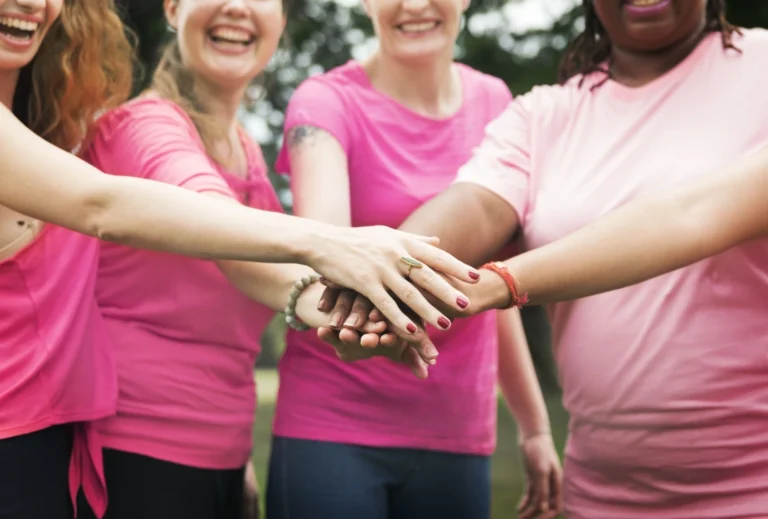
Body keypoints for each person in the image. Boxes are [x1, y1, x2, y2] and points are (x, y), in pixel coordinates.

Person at [0, 0, 478, 517]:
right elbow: (205, 228)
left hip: (216, 452)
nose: (238, 6)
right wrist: (333, 245)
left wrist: (355, 315)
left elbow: (268, 278)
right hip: (134, 451)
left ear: (282, 21)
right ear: (172, 8)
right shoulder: (143, 127)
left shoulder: (246, 147)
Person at [322, 1, 768, 517]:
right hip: (599, 493)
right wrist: (377, 286)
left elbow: (693, 215)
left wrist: (499, 283)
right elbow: (475, 205)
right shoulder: (545, 113)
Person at [266, 0, 562, 517]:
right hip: (332, 423)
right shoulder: (325, 102)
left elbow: (487, 283)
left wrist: (534, 426)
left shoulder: (494, 100)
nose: (415, 5)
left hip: (457, 429)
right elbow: (327, 253)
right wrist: (364, 329)